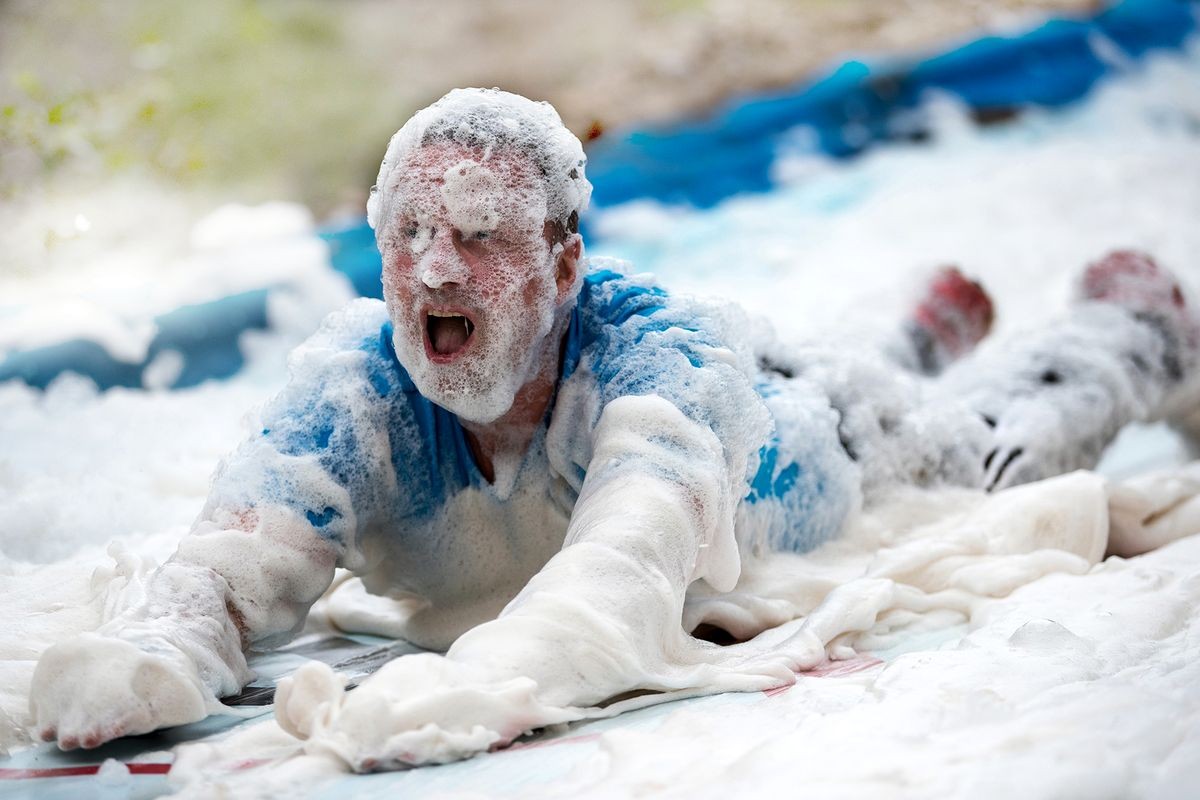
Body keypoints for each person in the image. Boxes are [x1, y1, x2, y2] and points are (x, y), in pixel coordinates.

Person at [28, 89, 1200, 767]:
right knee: (843, 350)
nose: (435, 265)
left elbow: (620, 575)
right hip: (779, 372)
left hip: (828, 437)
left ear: (563, 262)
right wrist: (157, 649)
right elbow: (233, 557)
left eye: (481, 234)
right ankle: (925, 315)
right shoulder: (355, 385)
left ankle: (1129, 326)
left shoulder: (659, 363)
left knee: (996, 441)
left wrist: (471, 687)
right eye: (408, 233)